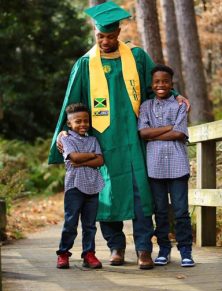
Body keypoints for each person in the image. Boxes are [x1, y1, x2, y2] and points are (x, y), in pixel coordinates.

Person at [49, 1, 189, 270]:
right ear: (95, 33)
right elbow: (72, 103)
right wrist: (64, 132)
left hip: (135, 140)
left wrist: (174, 95)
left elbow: (155, 87)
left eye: (111, 36)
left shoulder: (136, 57)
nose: (105, 41)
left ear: (119, 33)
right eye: (101, 36)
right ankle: (115, 246)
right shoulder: (85, 65)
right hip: (103, 141)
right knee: (107, 193)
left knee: (141, 194)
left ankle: (144, 249)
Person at [138, 64, 195, 267]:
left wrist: (157, 133)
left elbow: (180, 134)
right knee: (160, 210)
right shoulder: (145, 107)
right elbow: (143, 133)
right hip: (154, 167)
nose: (161, 85)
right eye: (157, 82)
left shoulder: (180, 105)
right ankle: (163, 249)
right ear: (152, 85)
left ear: (172, 84)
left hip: (178, 165)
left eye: (165, 81)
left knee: (181, 211)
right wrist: (171, 127)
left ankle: (186, 250)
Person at [56, 103, 104, 269]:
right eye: (78, 121)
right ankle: (63, 253)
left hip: (93, 185)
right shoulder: (66, 139)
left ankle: (89, 254)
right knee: (71, 222)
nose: (83, 124)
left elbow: (101, 160)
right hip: (74, 187)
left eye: (86, 121)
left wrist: (86, 159)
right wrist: (92, 156)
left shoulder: (93, 139)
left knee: (90, 224)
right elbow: (74, 158)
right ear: (70, 124)